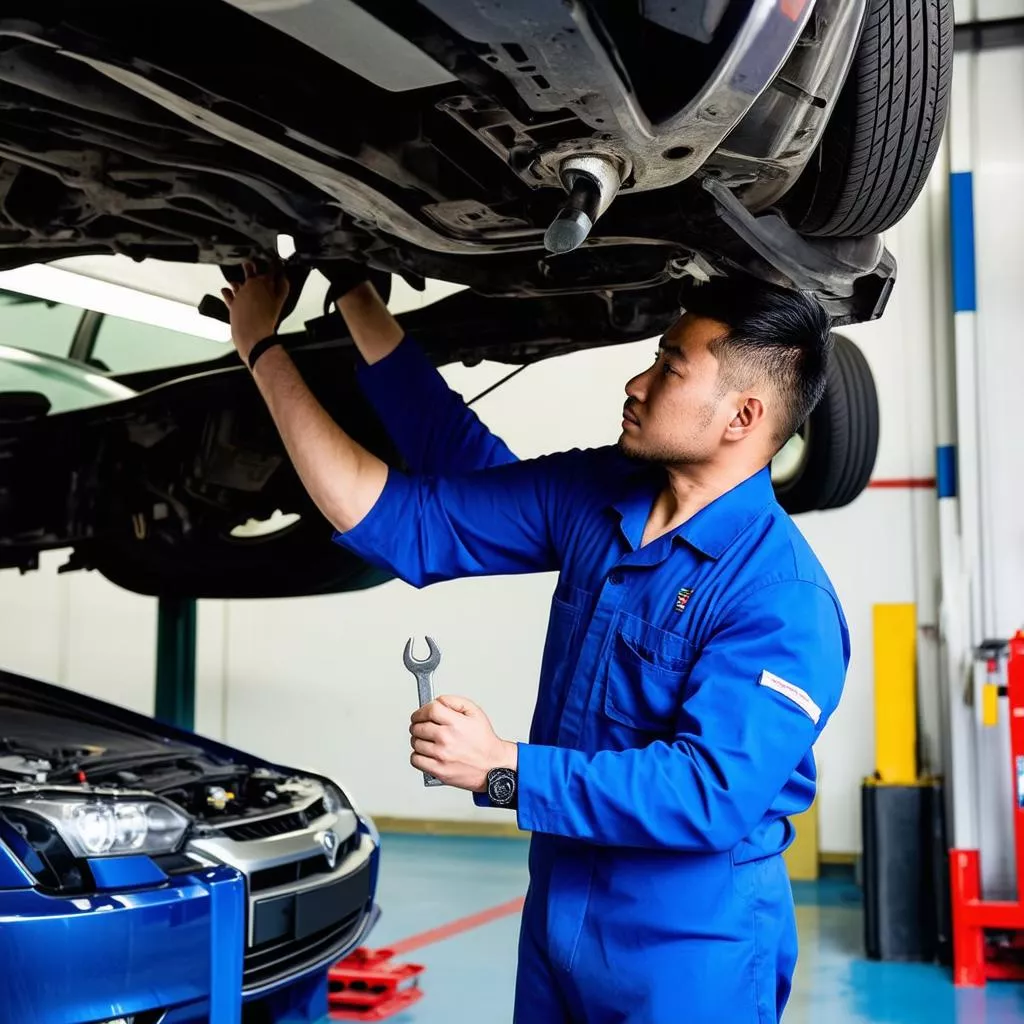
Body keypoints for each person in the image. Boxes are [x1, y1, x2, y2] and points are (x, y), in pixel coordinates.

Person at [221, 263, 850, 1024]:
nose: (637, 382)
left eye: (670, 368)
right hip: (560, 907)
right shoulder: (605, 497)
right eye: (653, 355)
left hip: (689, 944)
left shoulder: (781, 600)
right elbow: (432, 489)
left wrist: (504, 769)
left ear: (742, 418)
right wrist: (338, 301)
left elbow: (709, 796)